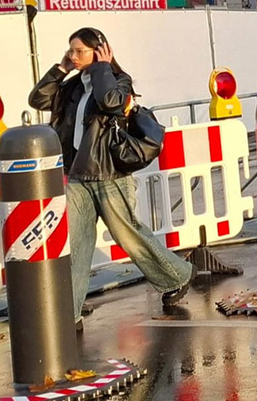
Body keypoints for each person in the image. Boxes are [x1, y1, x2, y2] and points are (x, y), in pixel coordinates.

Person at [28, 28, 194, 326]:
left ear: (100, 51)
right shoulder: (73, 85)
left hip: (109, 172)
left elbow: (110, 102)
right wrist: (61, 69)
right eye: (71, 51)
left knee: (127, 234)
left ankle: (176, 276)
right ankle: (70, 312)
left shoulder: (119, 80)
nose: (73, 56)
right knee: (75, 244)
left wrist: (104, 67)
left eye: (79, 51)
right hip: (77, 174)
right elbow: (38, 99)